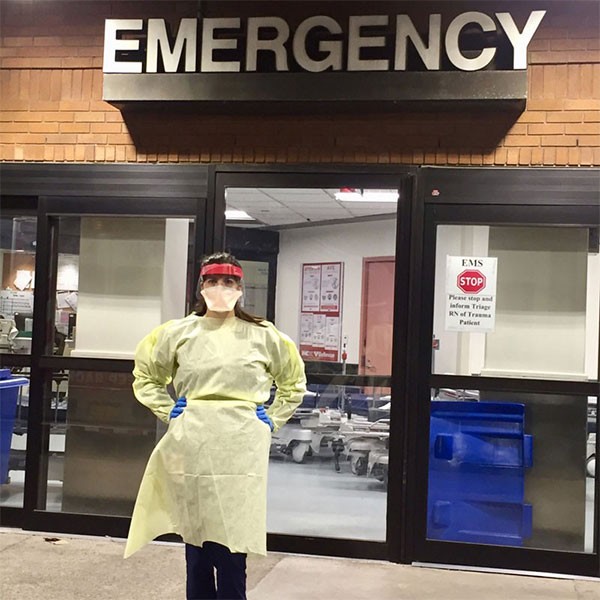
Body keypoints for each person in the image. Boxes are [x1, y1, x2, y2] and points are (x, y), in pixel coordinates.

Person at [124, 251, 307, 600]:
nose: (220, 288)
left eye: (228, 281)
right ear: (201, 287)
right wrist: (168, 409)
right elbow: (146, 375)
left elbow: (293, 382)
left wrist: (273, 418)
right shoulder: (178, 333)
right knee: (196, 539)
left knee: (233, 541)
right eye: (212, 281)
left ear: (240, 288)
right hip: (192, 440)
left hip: (242, 445)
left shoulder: (263, 335)